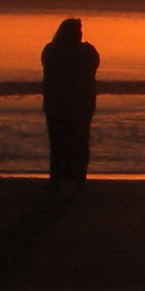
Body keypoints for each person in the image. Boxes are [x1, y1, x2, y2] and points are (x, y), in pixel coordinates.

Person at [39, 17, 101, 183]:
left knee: (62, 143)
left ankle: (61, 178)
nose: (80, 34)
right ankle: (75, 178)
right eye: (77, 31)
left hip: (62, 103)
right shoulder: (86, 52)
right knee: (76, 142)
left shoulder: (51, 50)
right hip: (75, 103)